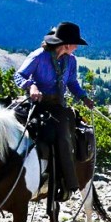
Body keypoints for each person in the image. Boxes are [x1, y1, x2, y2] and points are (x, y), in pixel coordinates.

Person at [14, 22, 94, 200]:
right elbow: (19, 75)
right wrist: (31, 86)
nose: (77, 47)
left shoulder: (70, 60)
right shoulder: (39, 56)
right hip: (38, 104)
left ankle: (66, 183)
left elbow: (72, 83)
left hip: (58, 106)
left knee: (65, 136)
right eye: (75, 44)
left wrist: (84, 97)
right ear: (66, 44)